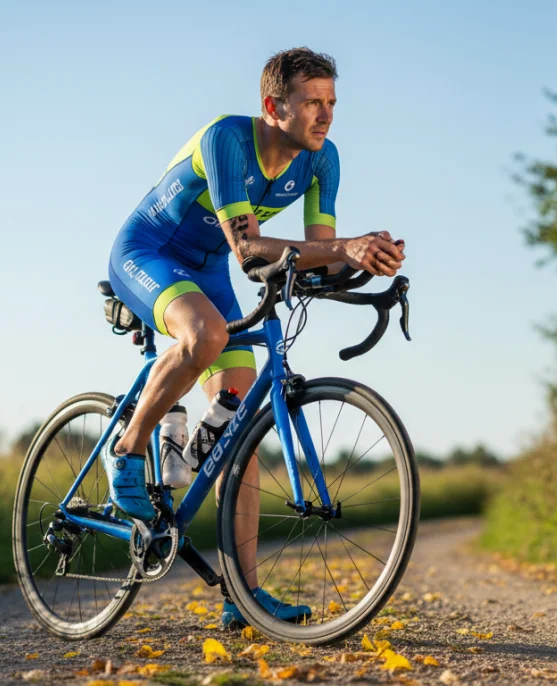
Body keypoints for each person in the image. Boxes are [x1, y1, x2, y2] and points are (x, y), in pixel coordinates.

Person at [103, 47, 406, 626]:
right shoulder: (227, 141)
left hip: (209, 266)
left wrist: (373, 263)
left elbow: (320, 257)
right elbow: (249, 250)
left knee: (236, 432)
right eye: (312, 102)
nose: (326, 115)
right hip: (151, 252)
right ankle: (129, 448)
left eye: (332, 103)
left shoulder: (323, 160)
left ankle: (239, 596)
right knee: (207, 334)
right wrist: (342, 249)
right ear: (273, 106)